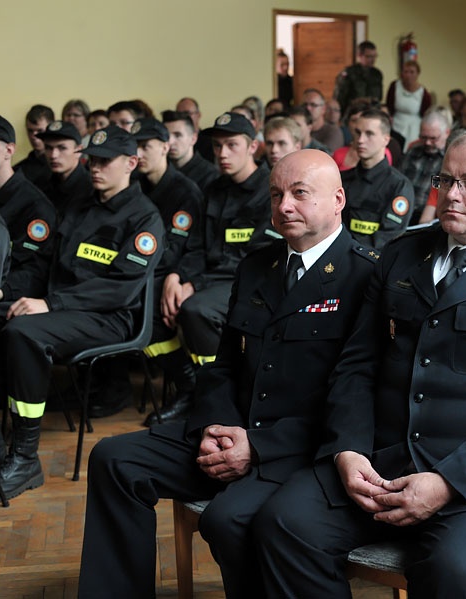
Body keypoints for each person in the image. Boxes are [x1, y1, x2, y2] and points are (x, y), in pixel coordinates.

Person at [251, 129, 466, 599]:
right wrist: (347, 450)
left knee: (453, 569)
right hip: (380, 464)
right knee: (283, 523)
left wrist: (448, 482)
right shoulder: (400, 254)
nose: (451, 194)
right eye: (445, 180)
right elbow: (356, 366)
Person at [78, 149, 378, 598]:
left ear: (338, 199)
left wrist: (255, 447)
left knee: (229, 519)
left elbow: (355, 395)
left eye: (300, 193)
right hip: (232, 430)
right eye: (276, 195)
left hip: (297, 448)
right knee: (113, 459)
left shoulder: (367, 274)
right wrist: (214, 426)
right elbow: (223, 364)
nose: (285, 206)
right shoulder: (258, 266)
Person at [0, 125, 165, 499]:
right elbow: (52, 266)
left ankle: (25, 459)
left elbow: (120, 287)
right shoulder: (80, 205)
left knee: (22, 332)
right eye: (92, 159)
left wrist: (50, 304)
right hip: (66, 309)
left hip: (112, 318)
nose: (95, 167)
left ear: (131, 163)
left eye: (105, 161)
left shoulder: (144, 219)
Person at [159, 112, 275, 419]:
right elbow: (196, 245)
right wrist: (177, 275)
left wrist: (194, 284)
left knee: (196, 309)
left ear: (253, 147)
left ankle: (218, 390)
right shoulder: (213, 189)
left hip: (253, 282)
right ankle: (202, 389)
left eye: (232, 145)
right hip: (212, 280)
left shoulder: (270, 190)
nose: (223, 154)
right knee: (164, 295)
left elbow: (256, 258)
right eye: (218, 146)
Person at [132, 117, 204, 424]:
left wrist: (176, 278)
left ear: (165, 147)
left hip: (176, 269)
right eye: (135, 147)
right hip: (143, 272)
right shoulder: (135, 185)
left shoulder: (183, 190)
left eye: (145, 146)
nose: (139, 153)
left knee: (147, 310)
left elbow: (183, 246)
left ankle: (189, 386)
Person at [0, 115, 57, 303]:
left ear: (9, 150)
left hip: (11, 299)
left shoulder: (35, 206)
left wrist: (1, 292)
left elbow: (34, 272)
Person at [341, 108, 414, 249]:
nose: (361, 140)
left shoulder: (399, 185)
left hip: (372, 261)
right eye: (358, 133)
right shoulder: (343, 179)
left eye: (369, 134)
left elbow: (388, 236)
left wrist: (348, 249)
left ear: (386, 139)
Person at [400, 109, 451, 223]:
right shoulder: (413, 151)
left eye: (433, 138)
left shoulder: (449, 159)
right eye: (423, 137)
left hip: (430, 217)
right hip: (401, 209)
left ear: (447, 133)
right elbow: (399, 181)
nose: (427, 142)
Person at [37, 120, 92, 216]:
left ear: (78, 151)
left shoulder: (91, 189)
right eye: (48, 148)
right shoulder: (41, 183)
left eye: (62, 148)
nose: (53, 155)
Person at [162, 110, 218, 192]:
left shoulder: (210, 175)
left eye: (177, 135)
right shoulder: (160, 171)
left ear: (193, 139)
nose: (170, 142)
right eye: (166, 136)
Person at [386, 61, 433, 151]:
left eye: (412, 72)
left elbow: (426, 113)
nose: (408, 75)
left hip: (414, 127)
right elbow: (389, 105)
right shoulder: (395, 86)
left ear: (417, 74)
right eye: (406, 71)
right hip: (396, 124)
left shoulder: (423, 93)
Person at [13, 105, 54, 190]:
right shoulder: (19, 169)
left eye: (40, 131)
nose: (34, 136)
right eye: (30, 131)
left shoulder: (60, 166)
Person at [335, 40, 383, 112]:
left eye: (375, 56)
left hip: (372, 113)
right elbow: (339, 100)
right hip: (352, 113)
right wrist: (359, 101)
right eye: (369, 56)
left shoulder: (377, 74)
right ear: (359, 56)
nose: (373, 60)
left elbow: (379, 97)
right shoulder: (349, 73)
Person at [302, 88, 344, 153]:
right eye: (304, 105)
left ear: (323, 109)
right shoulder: (298, 129)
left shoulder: (333, 131)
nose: (308, 108)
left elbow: (325, 157)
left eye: (313, 105)